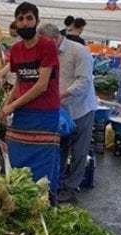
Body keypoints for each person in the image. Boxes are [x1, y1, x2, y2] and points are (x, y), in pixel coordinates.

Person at [0, 2, 61, 203]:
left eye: (29, 18)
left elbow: (42, 85)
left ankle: (44, 208)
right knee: (18, 165)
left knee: (42, 169)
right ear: (16, 23)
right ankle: (20, 207)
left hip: (45, 115)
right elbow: (19, 82)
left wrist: (12, 106)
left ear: (37, 21)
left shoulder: (47, 46)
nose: (25, 23)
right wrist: (5, 106)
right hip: (22, 116)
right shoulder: (16, 50)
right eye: (21, 19)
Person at [37, 23, 96, 203]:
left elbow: (84, 82)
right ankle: (57, 182)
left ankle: (71, 187)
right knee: (60, 147)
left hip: (81, 108)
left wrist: (59, 95)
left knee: (79, 151)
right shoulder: (48, 52)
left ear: (55, 39)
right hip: (60, 110)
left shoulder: (78, 51)